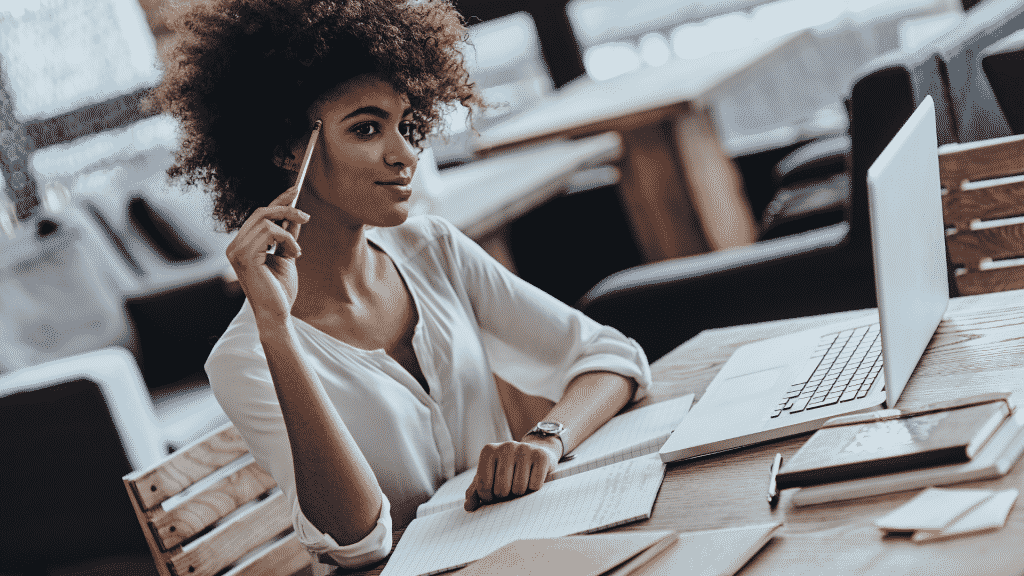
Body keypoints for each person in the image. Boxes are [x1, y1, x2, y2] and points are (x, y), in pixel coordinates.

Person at [149, 0, 652, 570]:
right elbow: (359, 544)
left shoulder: (431, 248)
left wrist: (545, 439)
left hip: (529, 551)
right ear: (289, 149)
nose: (406, 154)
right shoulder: (246, 358)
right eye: (367, 129)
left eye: (406, 126)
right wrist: (277, 329)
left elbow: (612, 356)